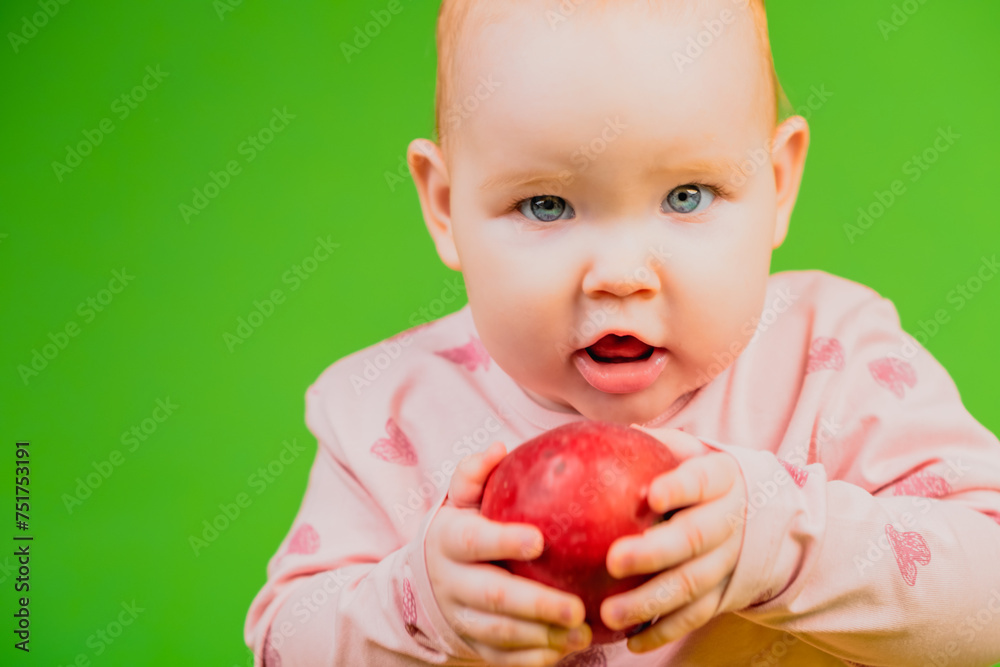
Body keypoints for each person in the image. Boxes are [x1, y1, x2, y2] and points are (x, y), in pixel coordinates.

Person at [244, 0, 1000, 664]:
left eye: (687, 194)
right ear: (445, 205)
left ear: (779, 184)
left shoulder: (832, 363)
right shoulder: (390, 413)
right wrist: (421, 606)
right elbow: (284, 640)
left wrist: (780, 544)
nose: (620, 272)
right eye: (545, 204)